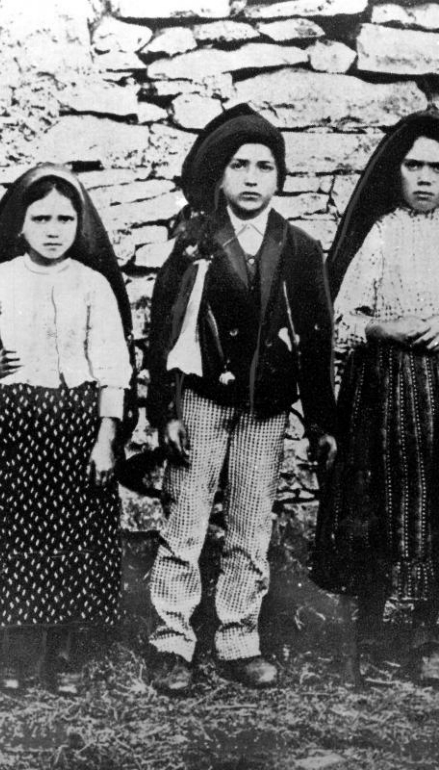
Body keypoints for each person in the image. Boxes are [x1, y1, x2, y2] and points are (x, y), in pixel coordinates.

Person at [146, 104, 337, 694]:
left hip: (267, 407)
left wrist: (320, 420)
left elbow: (316, 336)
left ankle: (238, 637)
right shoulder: (195, 240)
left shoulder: (299, 249)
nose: (252, 178)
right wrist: (166, 408)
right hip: (202, 401)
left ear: (279, 178)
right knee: (187, 516)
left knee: (252, 520)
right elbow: (164, 327)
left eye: (264, 166)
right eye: (239, 165)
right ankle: (172, 641)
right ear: (219, 176)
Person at [311, 108, 439, 685]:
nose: (425, 177)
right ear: (397, 171)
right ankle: (371, 625)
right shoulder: (382, 232)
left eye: (438, 166)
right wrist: (385, 327)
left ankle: (427, 632)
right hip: (383, 388)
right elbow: (346, 312)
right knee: (381, 499)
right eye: (414, 165)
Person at [0, 164, 134, 694]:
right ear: (20, 225)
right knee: (17, 539)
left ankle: (67, 654)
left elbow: (113, 366)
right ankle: (15, 653)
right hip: (14, 433)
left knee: (76, 538)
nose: (53, 230)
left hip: (77, 433)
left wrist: (106, 439)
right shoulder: (2, 280)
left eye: (64, 218)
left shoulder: (92, 284)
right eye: (41, 218)